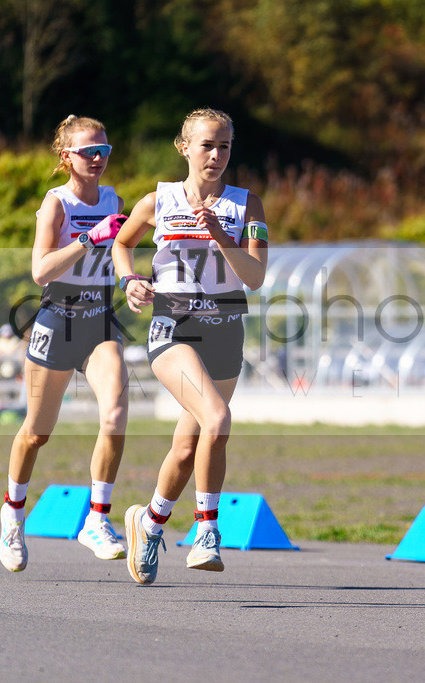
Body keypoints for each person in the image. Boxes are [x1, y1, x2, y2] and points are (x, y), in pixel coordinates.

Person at [111, 108, 268, 585]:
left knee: (186, 448)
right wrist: (130, 279)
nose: (217, 155)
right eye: (207, 145)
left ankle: (150, 523)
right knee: (217, 419)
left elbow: (256, 277)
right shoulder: (158, 200)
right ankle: (206, 532)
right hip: (173, 330)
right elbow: (122, 244)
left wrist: (222, 235)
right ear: (184, 147)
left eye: (224, 146)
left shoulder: (248, 206)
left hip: (226, 331)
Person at [0, 115, 131, 573]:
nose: (97, 158)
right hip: (58, 319)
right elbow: (40, 271)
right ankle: (12, 517)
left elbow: (119, 251)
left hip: (99, 320)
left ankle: (96, 519)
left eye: (104, 150)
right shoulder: (57, 204)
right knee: (36, 433)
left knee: (114, 411)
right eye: (88, 151)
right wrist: (85, 240)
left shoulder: (114, 199)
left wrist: (132, 278)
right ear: (65, 157)